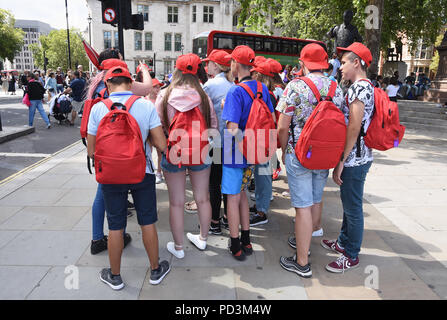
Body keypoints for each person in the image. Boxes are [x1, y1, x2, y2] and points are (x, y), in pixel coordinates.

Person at [88, 65, 170, 290]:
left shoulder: (97, 109)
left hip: (111, 175)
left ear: (107, 85)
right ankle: (155, 270)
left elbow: (91, 151)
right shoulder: (145, 106)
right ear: (130, 82)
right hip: (141, 172)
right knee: (147, 221)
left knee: (115, 225)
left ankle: (114, 276)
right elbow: (161, 144)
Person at [277, 43, 344, 278]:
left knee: (302, 206)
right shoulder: (336, 88)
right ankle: (307, 238)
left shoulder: (295, 86)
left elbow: (283, 125)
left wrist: (284, 151)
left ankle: (302, 261)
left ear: (303, 63)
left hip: (300, 152)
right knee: (316, 199)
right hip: (325, 153)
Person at [86, 48, 152, 255]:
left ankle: (99, 240)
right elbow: (148, 87)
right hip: (135, 161)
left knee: (105, 198)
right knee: (145, 219)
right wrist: (143, 69)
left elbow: (91, 148)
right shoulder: (138, 99)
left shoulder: (96, 87)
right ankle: (151, 263)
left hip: (105, 155)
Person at [155, 53, 218, 259]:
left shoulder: (164, 95)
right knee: (202, 198)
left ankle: (179, 247)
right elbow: (213, 127)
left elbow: (156, 128)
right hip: (200, 151)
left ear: (177, 70)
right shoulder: (203, 96)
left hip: (173, 151)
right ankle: (202, 238)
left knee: (176, 202)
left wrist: (164, 150)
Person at [322, 42, 375, 273]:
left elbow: (354, 127)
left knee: (353, 208)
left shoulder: (359, 88)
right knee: (349, 204)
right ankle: (343, 243)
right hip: (358, 157)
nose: (339, 66)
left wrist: (341, 162)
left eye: (343, 62)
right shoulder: (362, 86)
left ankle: (351, 254)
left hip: (354, 159)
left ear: (356, 62)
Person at [221, 45, 275, 261]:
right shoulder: (262, 89)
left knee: (232, 198)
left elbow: (232, 128)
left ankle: (235, 244)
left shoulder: (235, 91)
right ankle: (246, 239)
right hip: (254, 153)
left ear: (235, 64)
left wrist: (227, 109)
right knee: (243, 194)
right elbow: (271, 118)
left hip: (235, 154)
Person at [201, 49, 234, 234]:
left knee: (214, 183)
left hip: (215, 141)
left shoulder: (210, 85)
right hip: (233, 141)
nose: (207, 66)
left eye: (209, 63)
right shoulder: (234, 85)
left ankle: (214, 221)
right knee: (228, 182)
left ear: (216, 65)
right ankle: (229, 218)